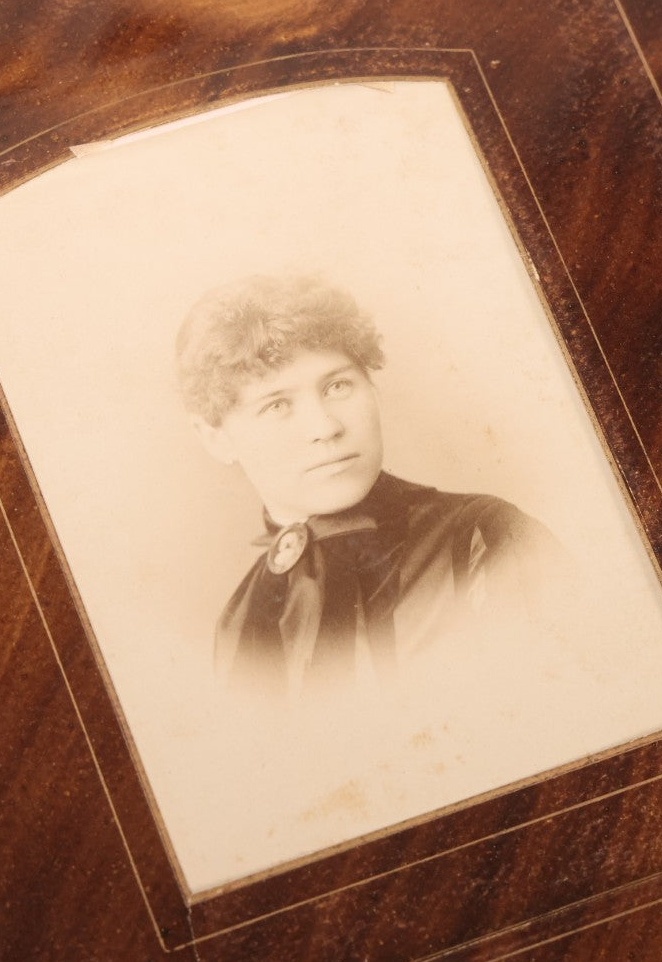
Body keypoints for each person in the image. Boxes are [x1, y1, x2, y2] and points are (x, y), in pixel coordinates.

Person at [176, 274, 579, 694]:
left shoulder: (486, 541)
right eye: (277, 405)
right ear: (216, 438)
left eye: (338, 385)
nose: (325, 426)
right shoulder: (240, 621)